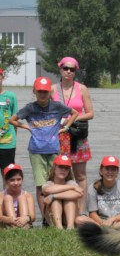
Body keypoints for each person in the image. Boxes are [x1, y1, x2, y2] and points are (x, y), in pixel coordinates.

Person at [10, 76, 78, 225]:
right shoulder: (30, 108)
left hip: (54, 149)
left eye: (45, 92)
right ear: (34, 91)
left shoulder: (57, 106)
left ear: (50, 93)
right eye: (39, 92)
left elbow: (75, 113)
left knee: (55, 183)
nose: (42, 95)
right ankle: (46, 219)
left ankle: (58, 217)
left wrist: (65, 127)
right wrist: (25, 126)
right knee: (41, 185)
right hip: (36, 150)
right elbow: (12, 119)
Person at [52, 56, 94, 215]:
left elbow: (90, 113)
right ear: (60, 69)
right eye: (65, 68)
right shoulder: (53, 89)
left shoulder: (81, 88)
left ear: (75, 71)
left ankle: (81, 211)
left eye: (72, 69)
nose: (68, 71)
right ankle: (61, 211)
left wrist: (72, 119)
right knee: (59, 174)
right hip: (59, 136)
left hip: (77, 136)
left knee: (81, 175)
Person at [76, 155, 120, 227]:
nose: (110, 172)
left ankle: (112, 228)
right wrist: (102, 223)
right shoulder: (93, 187)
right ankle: (106, 229)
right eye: (107, 169)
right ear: (101, 171)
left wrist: (113, 219)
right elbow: (92, 213)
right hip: (100, 222)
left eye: (113, 169)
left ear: (117, 172)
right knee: (79, 219)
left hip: (118, 221)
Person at [41, 154, 84, 229]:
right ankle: (59, 228)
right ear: (54, 168)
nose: (63, 170)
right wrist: (71, 187)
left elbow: (79, 194)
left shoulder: (70, 182)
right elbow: (47, 190)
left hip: (69, 219)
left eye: (66, 168)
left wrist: (53, 196)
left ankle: (70, 227)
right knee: (56, 201)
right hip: (52, 220)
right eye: (61, 167)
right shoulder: (49, 183)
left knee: (69, 200)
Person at [1, 164, 34, 228]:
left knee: (22, 197)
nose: (16, 183)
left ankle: (25, 227)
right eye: (12, 180)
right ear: (6, 181)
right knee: (8, 198)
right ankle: (14, 227)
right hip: (8, 223)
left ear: (22, 179)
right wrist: (10, 220)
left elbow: (33, 216)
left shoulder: (28, 195)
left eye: (19, 179)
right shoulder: (1, 196)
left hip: (24, 222)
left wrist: (26, 218)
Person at [0, 68, 18, 173]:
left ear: (2, 77)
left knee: (7, 174)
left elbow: (15, 120)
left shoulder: (10, 96)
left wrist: (14, 139)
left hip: (7, 143)